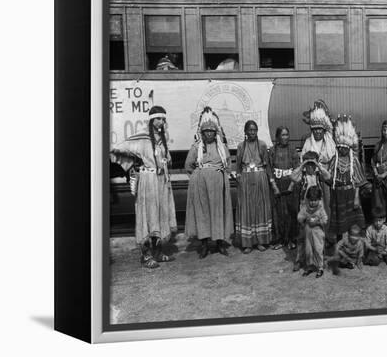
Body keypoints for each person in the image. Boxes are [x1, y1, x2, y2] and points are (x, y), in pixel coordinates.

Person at [110, 106, 177, 269]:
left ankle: (158, 252)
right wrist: (132, 163)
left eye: (163, 119)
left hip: (161, 181)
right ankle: (146, 255)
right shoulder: (142, 139)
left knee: (160, 214)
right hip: (148, 182)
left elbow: (167, 158)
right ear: (152, 119)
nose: (161, 122)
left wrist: (166, 161)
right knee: (148, 215)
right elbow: (120, 147)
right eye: (158, 118)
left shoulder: (162, 139)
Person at [184, 107, 233, 258]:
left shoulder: (222, 148)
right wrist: (199, 177)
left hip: (218, 186)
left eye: (212, 131)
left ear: (216, 133)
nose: (209, 134)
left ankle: (219, 243)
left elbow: (228, 165)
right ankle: (204, 244)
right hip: (201, 186)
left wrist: (219, 176)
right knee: (203, 213)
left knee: (218, 213)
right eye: (206, 132)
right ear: (202, 133)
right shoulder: (196, 148)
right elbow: (188, 165)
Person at [328, 115, 371, 244]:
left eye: (345, 148)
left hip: (351, 194)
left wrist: (357, 197)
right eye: (340, 147)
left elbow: (358, 181)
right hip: (338, 195)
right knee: (340, 224)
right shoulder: (334, 160)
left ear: (349, 147)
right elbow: (329, 179)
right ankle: (340, 248)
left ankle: (353, 246)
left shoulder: (354, 161)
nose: (343, 149)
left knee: (352, 224)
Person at [235, 120, 273, 253]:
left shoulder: (262, 145)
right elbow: (238, 165)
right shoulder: (241, 146)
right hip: (245, 180)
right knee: (247, 209)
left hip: (260, 178)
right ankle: (247, 243)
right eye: (250, 130)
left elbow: (267, 164)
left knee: (259, 208)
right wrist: (239, 180)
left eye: (254, 130)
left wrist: (270, 181)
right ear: (245, 131)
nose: (252, 132)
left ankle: (260, 241)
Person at [290, 151, 331, 271]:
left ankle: (320, 260)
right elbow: (292, 177)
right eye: (308, 165)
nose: (310, 167)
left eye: (312, 165)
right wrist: (302, 165)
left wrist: (318, 165)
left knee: (319, 235)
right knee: (303, 235)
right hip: (305, 208)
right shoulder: (302, 176)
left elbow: (328, 177)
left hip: (318, 209)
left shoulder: (318, 175)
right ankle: (300, 259)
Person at [301, 101, 336, 218]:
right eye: (315, 129)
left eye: (320, 129)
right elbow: (304, 161)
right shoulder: (308, 142)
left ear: (323, 130)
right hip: (312, 178)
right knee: (314, 203)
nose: (317, 131)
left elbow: (334, 158)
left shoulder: (329, 141)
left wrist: (327, 173)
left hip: (328, 176)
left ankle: (328, 230)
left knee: (328, 203)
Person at [268, 126, 300, 250]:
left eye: (287, 134)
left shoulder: (292, 150)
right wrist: (274, 186)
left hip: (290, 185)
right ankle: (280, 239)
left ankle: (292, 239)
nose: (285, 137)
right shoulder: (272, 151)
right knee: (279, 213)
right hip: (277, 185)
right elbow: (269, 169)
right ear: (277, 137)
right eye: (283, 135)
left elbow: (297, 168)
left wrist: (292, 185)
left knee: (292, 212)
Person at [296, 186, 327, 278]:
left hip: (318, 233)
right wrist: (304, 219)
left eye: (315, 200)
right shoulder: (305, 208)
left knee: (318, 249)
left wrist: (318, 221)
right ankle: (310, 266)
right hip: (308, 233)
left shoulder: (321, 209)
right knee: (308, 250)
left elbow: (325, 219)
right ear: (308, 199)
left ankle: (320, 267)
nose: (313, 202)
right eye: (311, 200)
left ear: (319, 199)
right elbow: (299, 217)